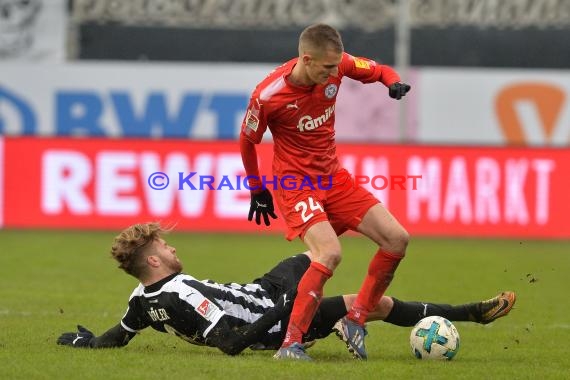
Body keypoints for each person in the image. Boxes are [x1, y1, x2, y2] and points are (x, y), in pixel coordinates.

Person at [57, 223, 517, 357]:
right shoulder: (182, 292)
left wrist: (84, 342)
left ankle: (339, 243)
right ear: (154, 260)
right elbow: (232, 343)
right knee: (371, 303)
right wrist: (289, 309)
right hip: (274, 317)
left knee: (310, 255)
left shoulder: (142, 301)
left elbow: (117, 335)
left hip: (259, 291)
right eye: (166, 246)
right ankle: (471, 312)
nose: (174, 248)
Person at [240, 23, 412, 360]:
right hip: (296, 184)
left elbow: (379, 71)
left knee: (397, 239)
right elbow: (248, 141)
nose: (337, 72)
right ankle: (290, 344)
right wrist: (256, 188)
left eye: (338, 66)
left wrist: (393, 83)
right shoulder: (268, 95)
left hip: (334, 179)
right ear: (306, 59)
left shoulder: (339, 64)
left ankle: (355, 319)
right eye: (329, 68)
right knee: (330, 253)